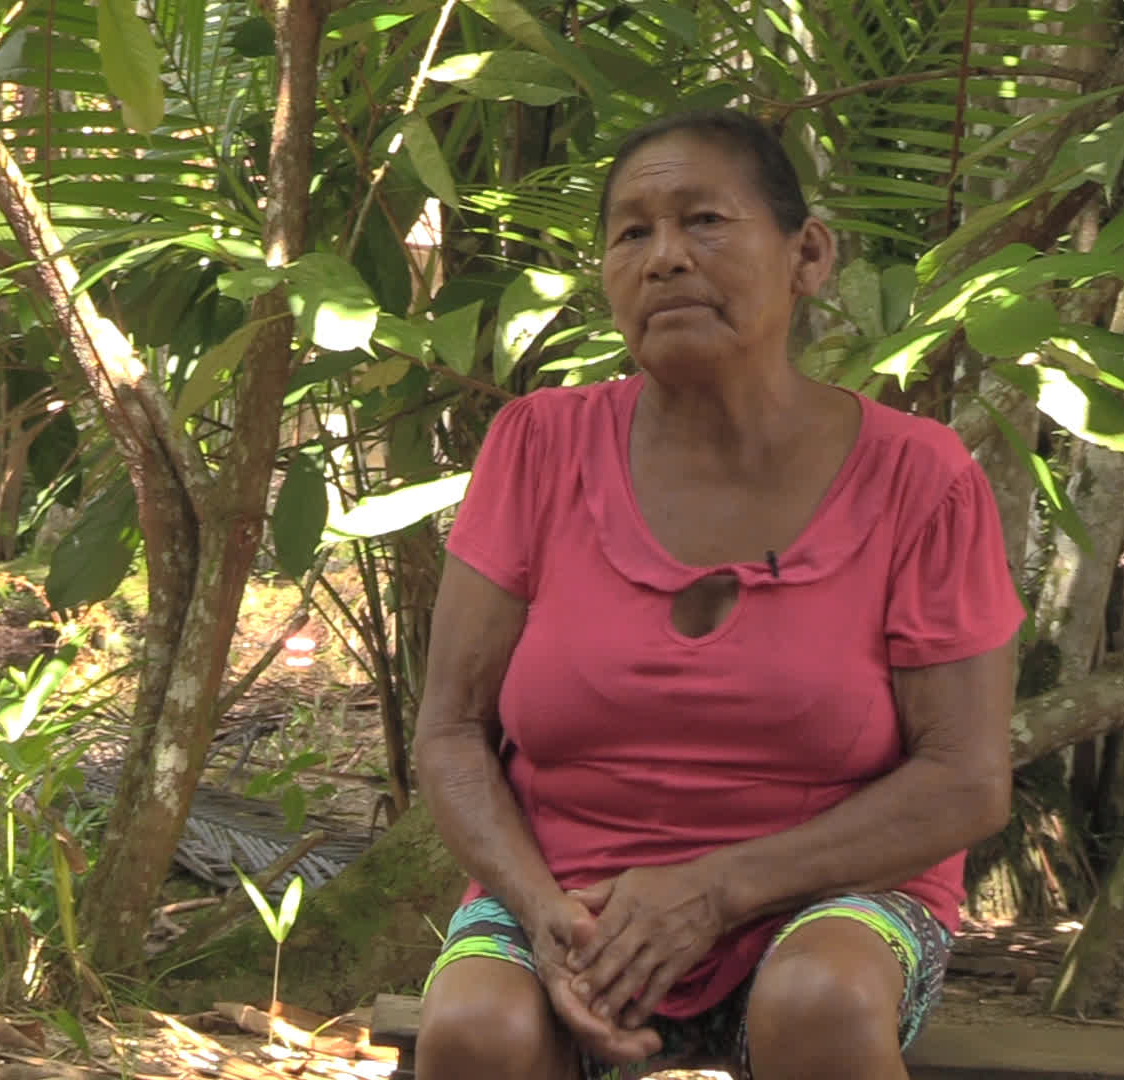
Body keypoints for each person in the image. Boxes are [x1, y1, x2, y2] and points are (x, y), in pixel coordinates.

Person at [411, 108, 1023, 1080]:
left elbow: (966, 777)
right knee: (477, 1032)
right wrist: (544, 913)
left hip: (827, 904)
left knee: (817, 1000)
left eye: (704, 221)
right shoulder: (537, 446)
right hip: (568, 902)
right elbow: (449, 732)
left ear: (808, 254)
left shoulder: (919, 477)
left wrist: (715, 890)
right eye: (632, 233)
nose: (664, 259)